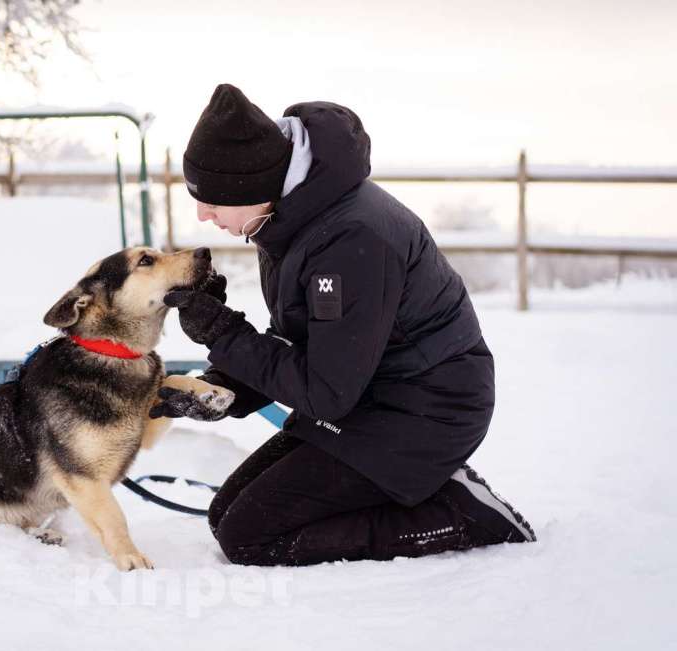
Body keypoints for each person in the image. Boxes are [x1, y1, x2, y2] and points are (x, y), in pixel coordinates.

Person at [152, 83, 536, 566]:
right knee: (225, 514)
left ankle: (458, 514)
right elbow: (307, 345)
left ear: (248, 185)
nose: (203, 215)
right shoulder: (291, 215)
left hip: (424, 410)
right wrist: (222, 388)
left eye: (210, 199)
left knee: (249, 537)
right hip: (370, 394)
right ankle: (407, 488)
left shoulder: (350, 238)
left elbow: (326, 390)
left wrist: (223, 333)